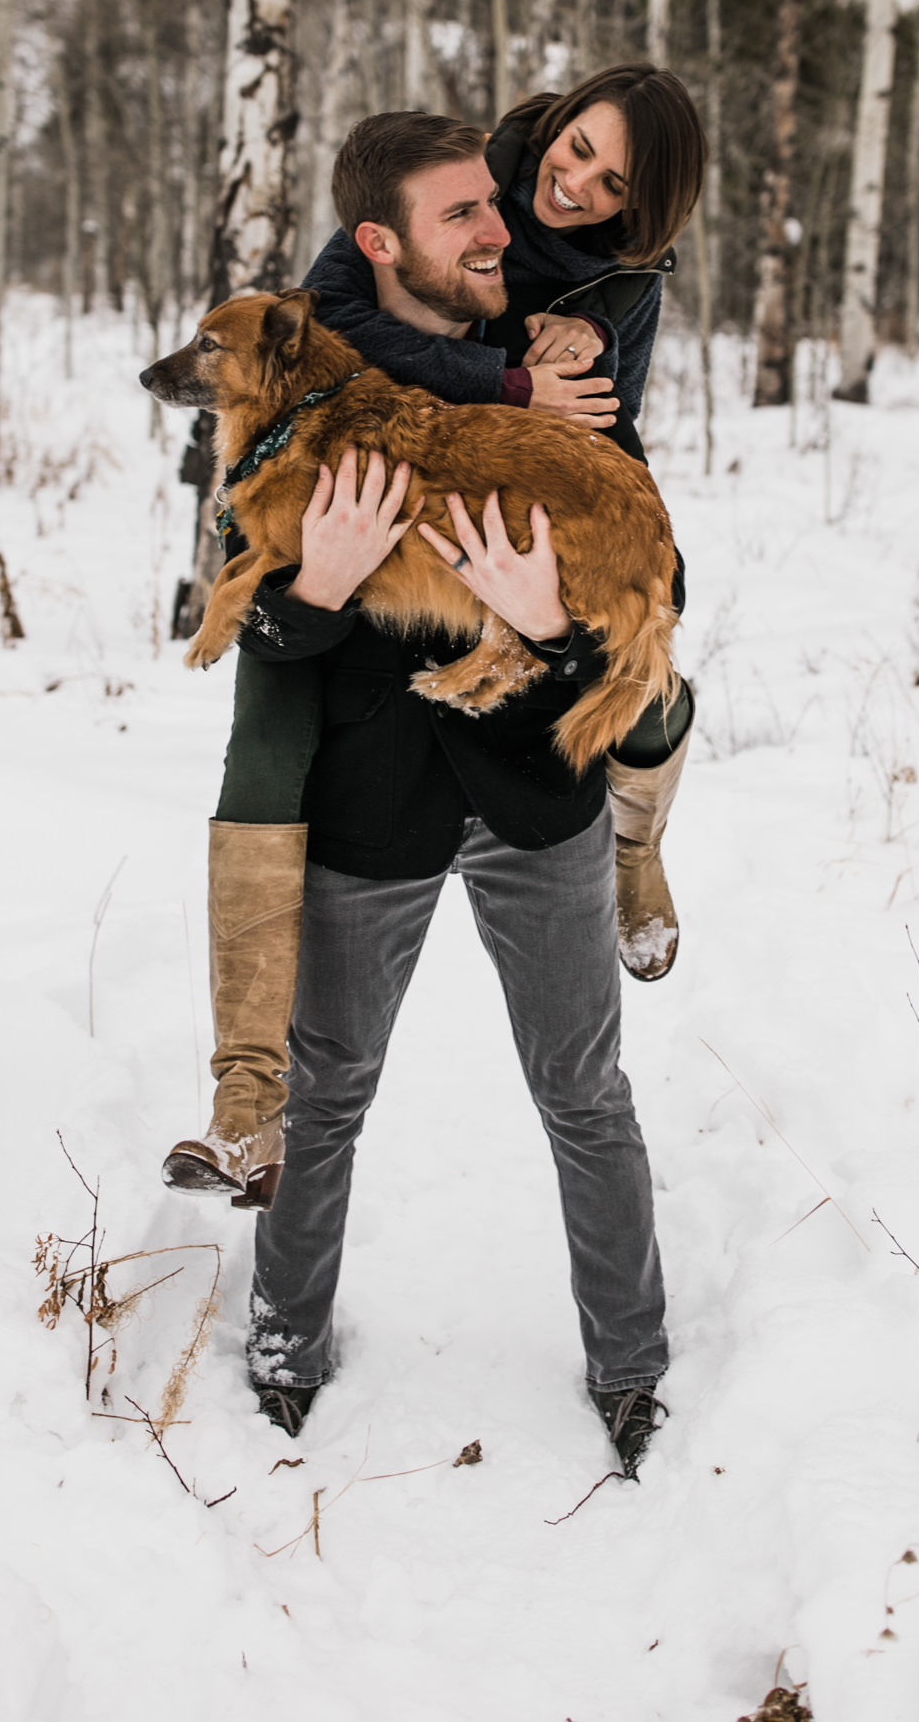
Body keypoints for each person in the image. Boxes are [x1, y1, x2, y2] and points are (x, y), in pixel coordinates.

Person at [196, 117, 670, 1471]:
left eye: (492, 209)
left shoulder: (556, 381)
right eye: (462, 216)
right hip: (367, 805)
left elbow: (645, 593)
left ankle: (632, 1364)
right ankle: (286, 1344)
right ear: (377, 245)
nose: (498, 234)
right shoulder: (289, 388)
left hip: (536, 789)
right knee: (327, 1090)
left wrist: (547, 625)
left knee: (586, 1094)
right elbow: (243, 620)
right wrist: (324, 585)